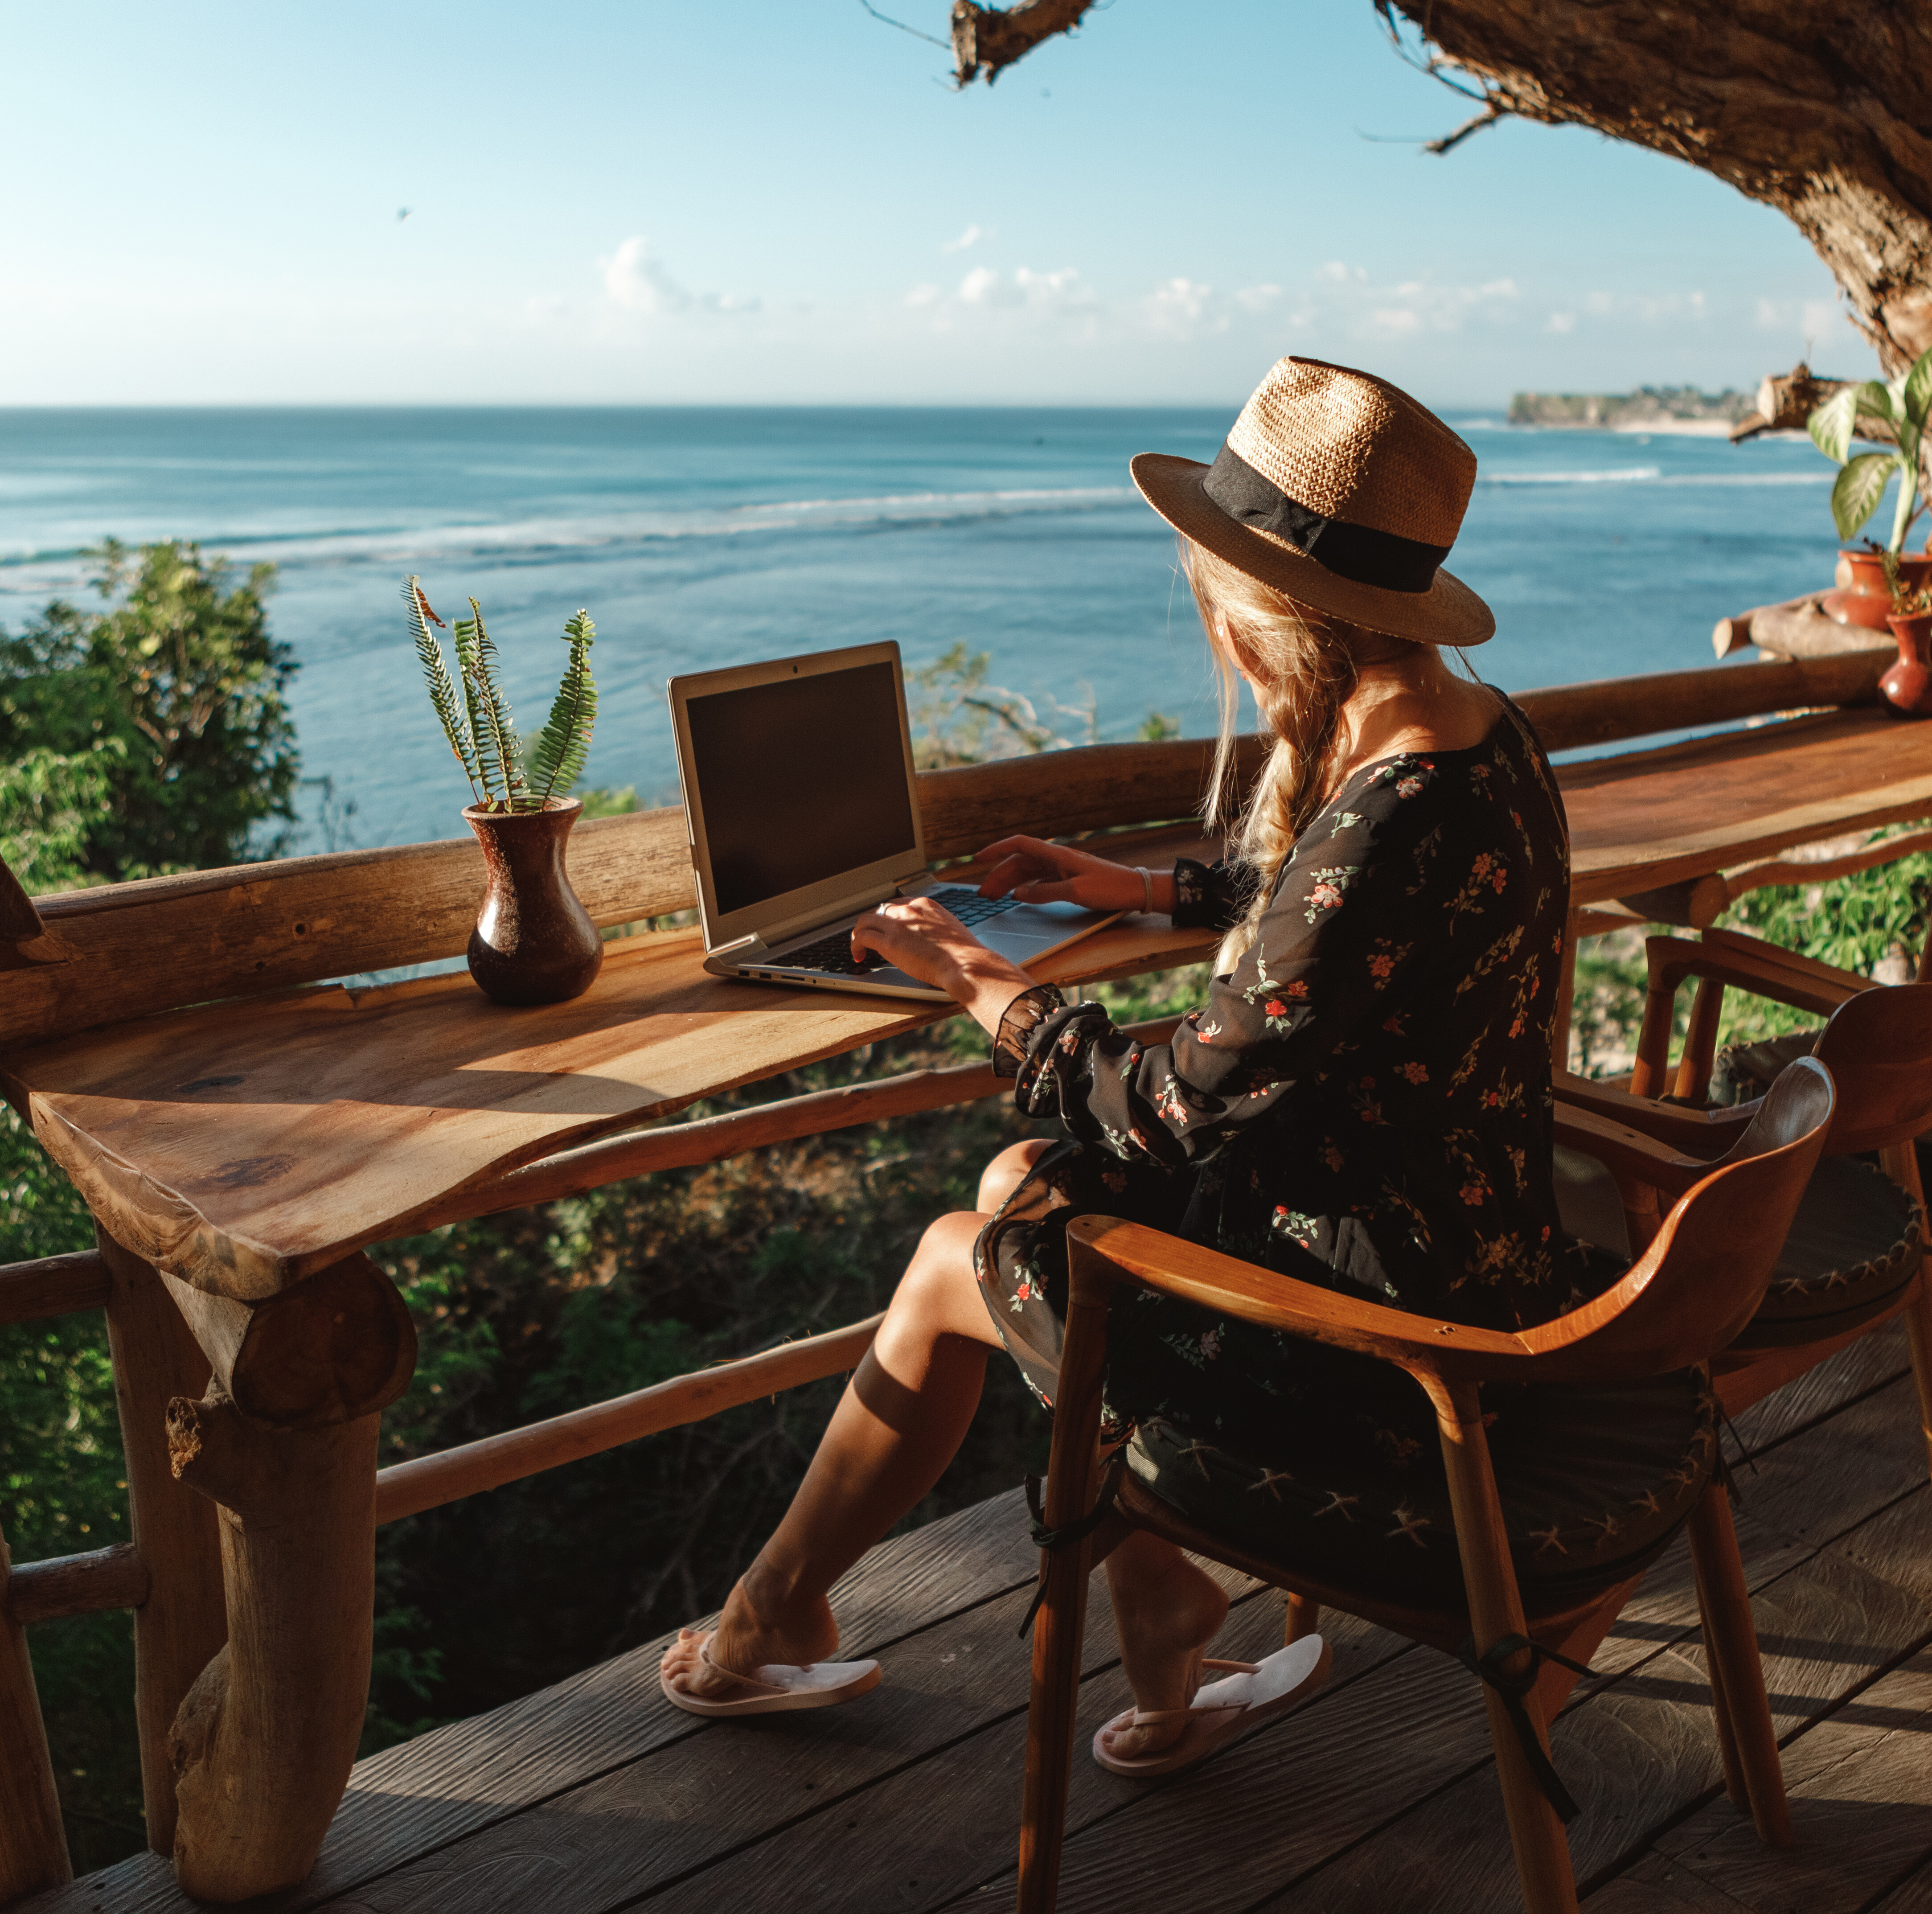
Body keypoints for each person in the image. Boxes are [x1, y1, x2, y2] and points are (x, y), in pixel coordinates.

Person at [658, 357, 1578, 1770]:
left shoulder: (1384, 818)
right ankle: (1153, 1605)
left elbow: (1175, 1113)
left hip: (1390, 1349)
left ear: (1261, 609)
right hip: (1479, 1250)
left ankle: (776, 1616)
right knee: (1024, 1178)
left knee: (954, 1256)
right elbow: (1346, 931)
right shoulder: (1478, 736)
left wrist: (986, 984)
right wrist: (1142, 892)